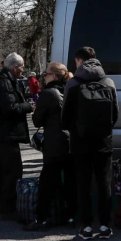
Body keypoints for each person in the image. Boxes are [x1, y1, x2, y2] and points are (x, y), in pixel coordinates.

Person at [62, 48, 119, 240]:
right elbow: (115, 115)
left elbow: (65, 116)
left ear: (79, 61)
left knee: (83, 183)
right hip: (104, 141)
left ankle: (86, 226)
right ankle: (104, 225)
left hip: (80, 142)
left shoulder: (72, 83)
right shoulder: (108, 82)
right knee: (104, 183)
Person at [27, 62, 75, 230]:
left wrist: (36, 110)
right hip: (72, 142)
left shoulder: (48, 94)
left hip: (54, 143)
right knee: (70, 181)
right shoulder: (71, 89)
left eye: (46, 74)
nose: (44, 76)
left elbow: (37, 120)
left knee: (47, 182)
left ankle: (42, 219)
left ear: (54, 76)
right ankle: (70, 216)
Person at [0, 53, 34, 219]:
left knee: (10, 170)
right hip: (6, 134)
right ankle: (7, 208)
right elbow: (10, 107)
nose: (22, 71)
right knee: (13, 171)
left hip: (6, 133)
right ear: (15, 68)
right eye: (21, 67)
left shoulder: (5, 81)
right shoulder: (4, 83)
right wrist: (28, 106)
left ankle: (7, 206)